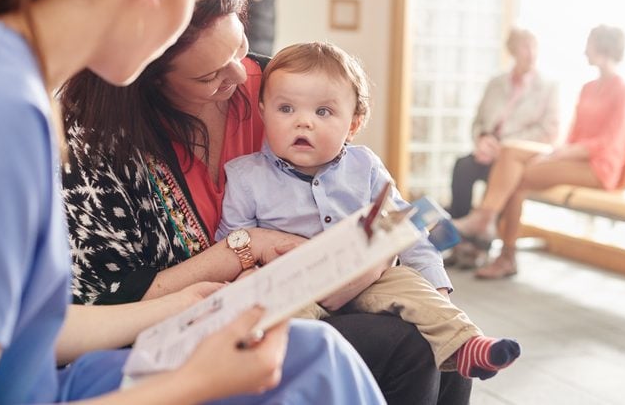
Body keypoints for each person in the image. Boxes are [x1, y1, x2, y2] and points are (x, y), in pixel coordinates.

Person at [0, 0, 384, 404]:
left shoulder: (8, 74)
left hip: (42, 377)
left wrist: (188, 305)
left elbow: (29, 330)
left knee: (317, 353)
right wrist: (194, 383)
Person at [61, 0, 473, 405]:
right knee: (402, 345)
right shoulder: (96, 149)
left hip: (347, 283)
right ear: (146, 78)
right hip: (214, 319)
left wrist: (372, 260)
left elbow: (371, 198)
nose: (241, 75)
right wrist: (248, 247)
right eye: (210, 75)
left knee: (451, 349)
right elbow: (104, 302)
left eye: (238, 46)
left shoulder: (283, 89)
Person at [217, 41, 521, 379]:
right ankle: (305, 374)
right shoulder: (245, 176)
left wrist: (437, 290)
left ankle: (466, 344)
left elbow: (406, 229)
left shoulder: (365, 166)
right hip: (294, 284)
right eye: (286, 109)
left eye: (323, 112)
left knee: (408, 282)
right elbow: (230, 245)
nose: (303, 123)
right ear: (262, 112)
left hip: (368, 280)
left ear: (353, 123)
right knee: (278, 312)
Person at [454, 24, 625, 279]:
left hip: (600, 168)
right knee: (511, 156)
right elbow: (575, 133)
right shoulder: (588, 88)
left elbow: (611, 143)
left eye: (589, 43)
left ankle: (490, 230)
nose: (585, 49)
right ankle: (493, 235)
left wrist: (566, 152)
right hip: (573, 159)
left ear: (602, 47)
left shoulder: (622, 91)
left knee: (517, 177)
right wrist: (559, 152)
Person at [446, 28, 559, 268]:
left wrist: (506, 145)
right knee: (462, 167)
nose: (531, 53)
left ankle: (480, 246)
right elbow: (478, 121)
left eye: (534, 47)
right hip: (489, 150)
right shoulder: (497, 83)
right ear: (512, 51)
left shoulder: (548, 87)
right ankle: (458, 242)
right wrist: (483, 139)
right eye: (525, 47)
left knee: (502, 176)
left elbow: (549, 132)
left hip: (518, 157)